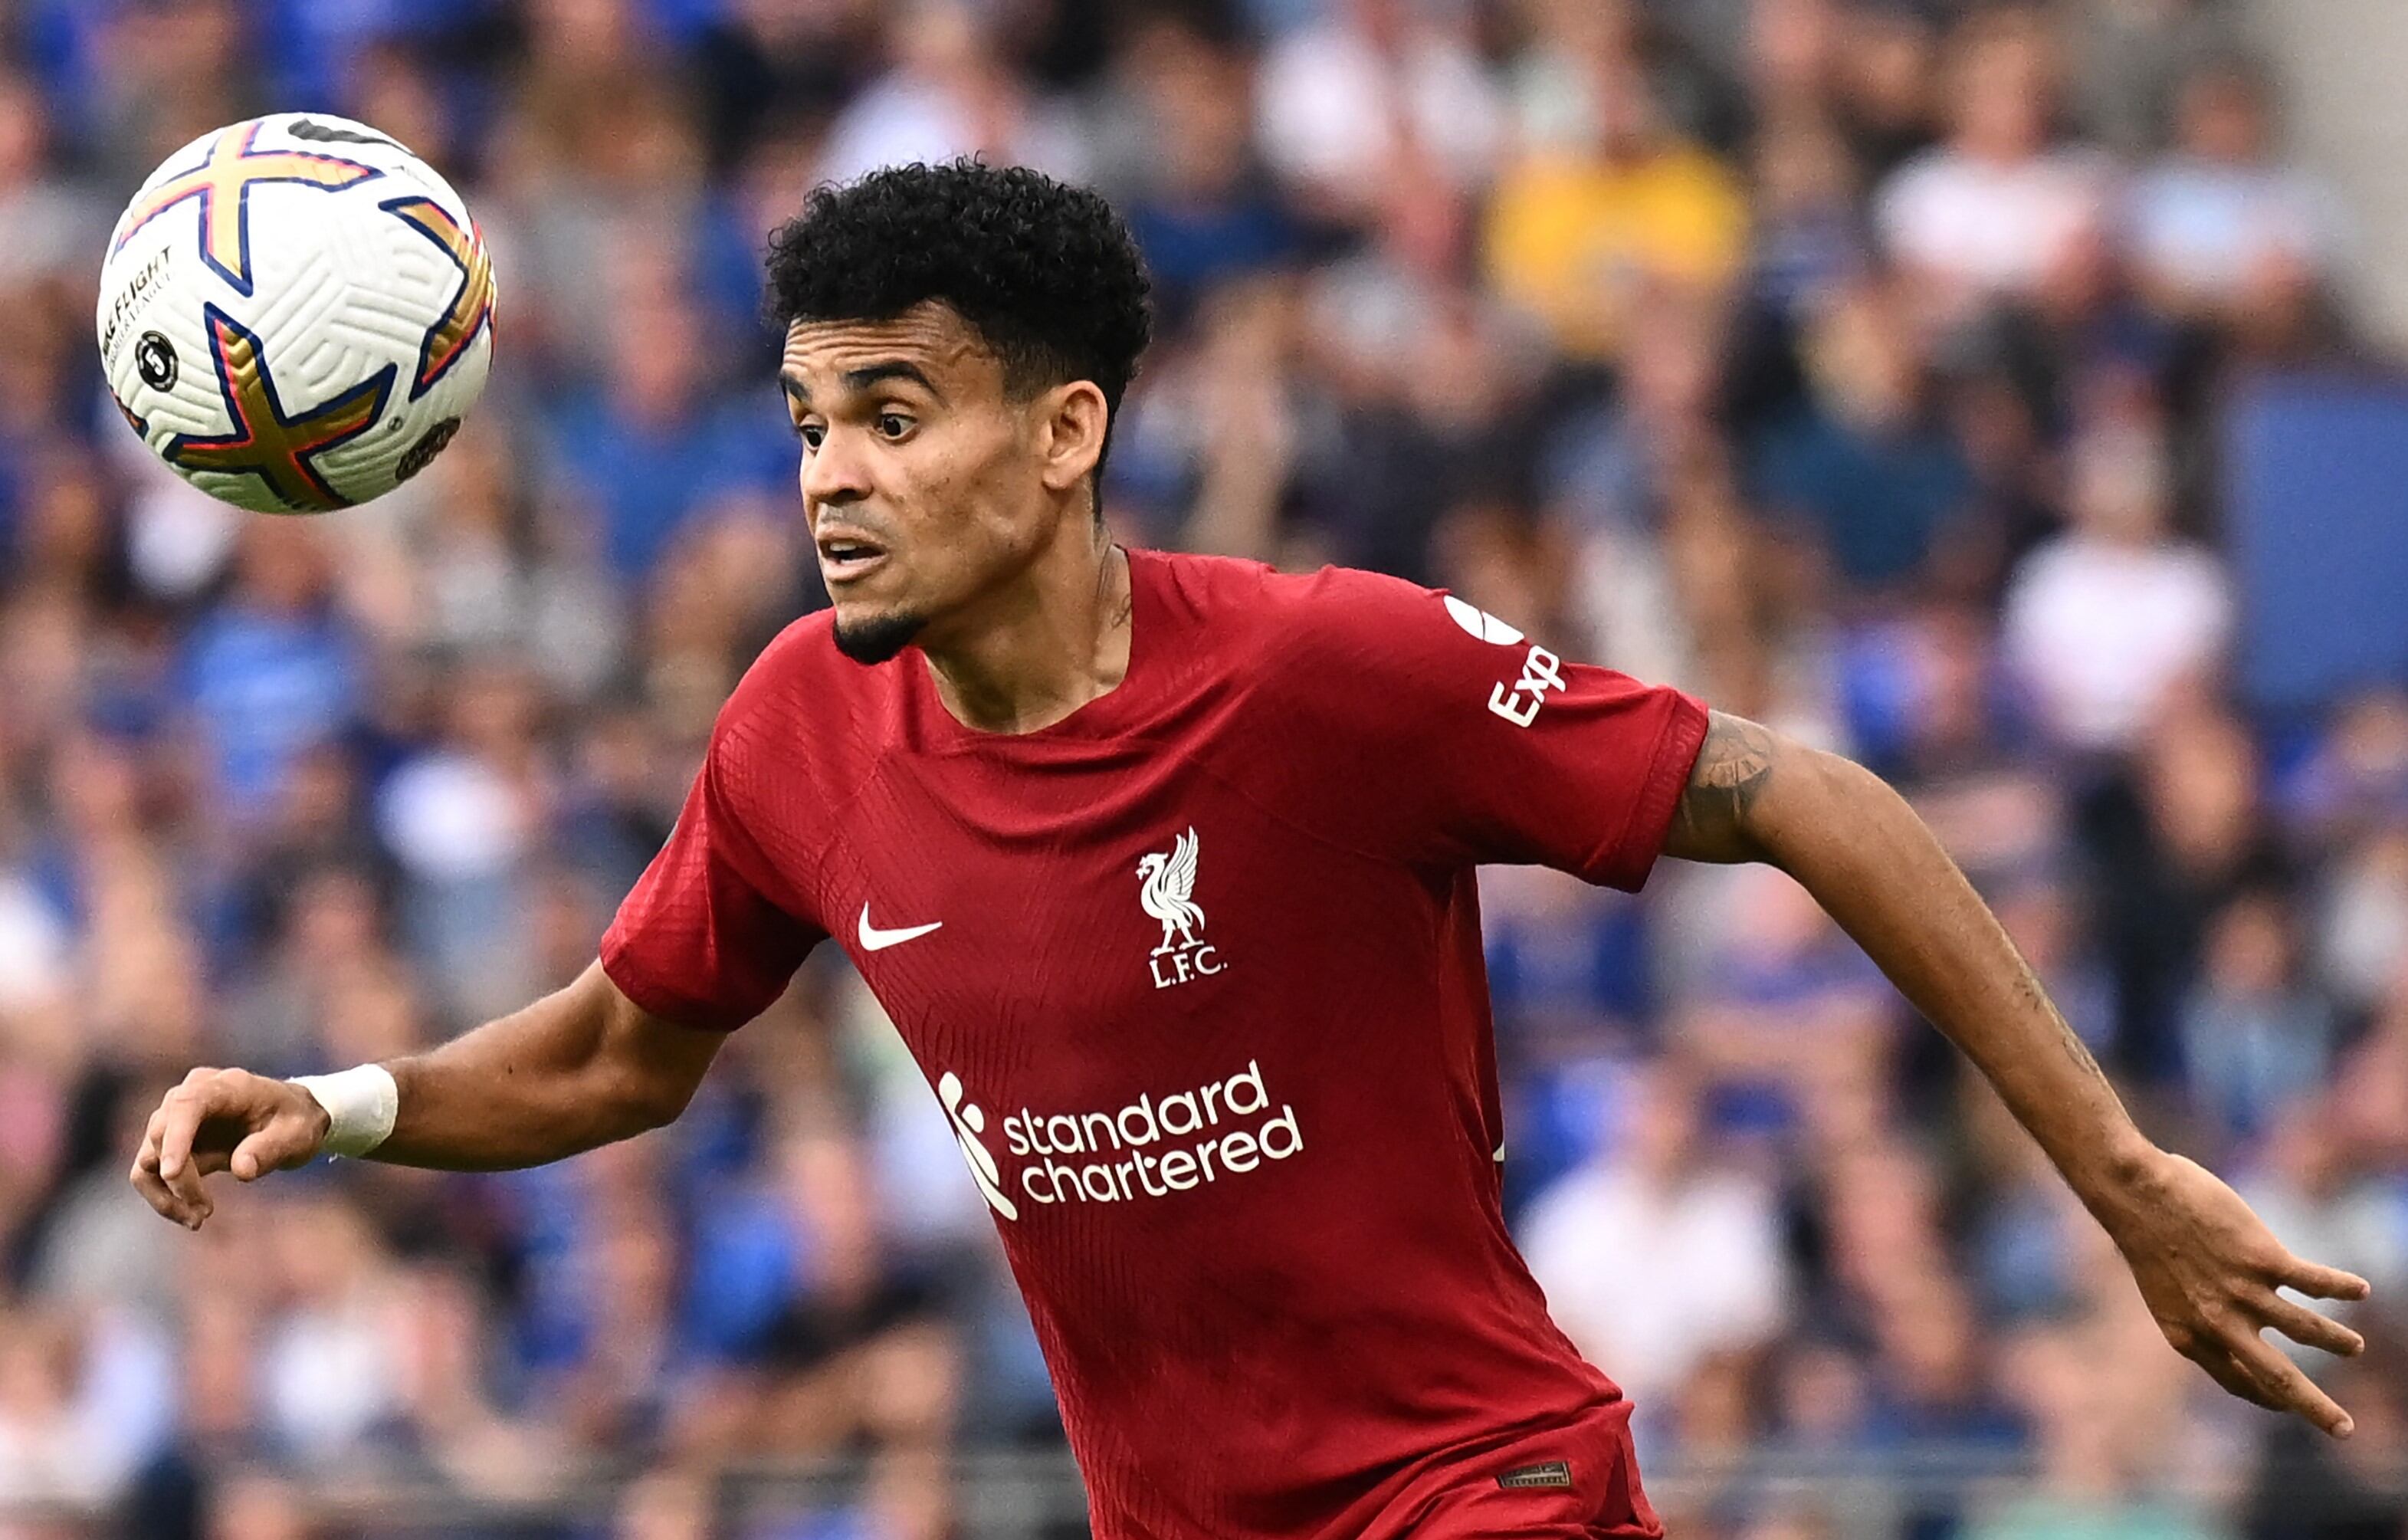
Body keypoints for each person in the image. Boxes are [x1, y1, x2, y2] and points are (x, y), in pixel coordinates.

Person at [130, 160, 2370, 1540]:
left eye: (894, 417)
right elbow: (628, 1044)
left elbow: (1799, 790)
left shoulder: (1327, 672)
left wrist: (2120, 1174)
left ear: (1065, 431)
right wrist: (343, 1102)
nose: (830, 476)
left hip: (1482, 1488)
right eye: (808, 421)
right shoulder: (801, 723)